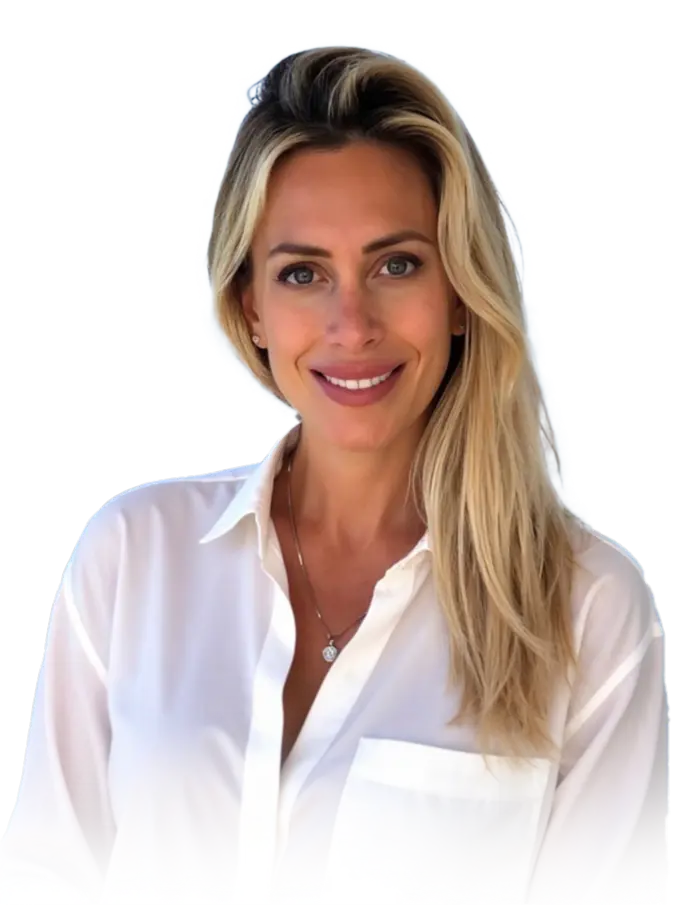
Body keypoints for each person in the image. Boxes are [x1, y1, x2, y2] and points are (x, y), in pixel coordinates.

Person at [0, 45, 669, 904]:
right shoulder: (134, 555)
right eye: (302, 273)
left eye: (397, 264)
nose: (352, 325)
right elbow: (46, 874)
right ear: (251, 305)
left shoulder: (586, 610)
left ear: (460, 290)